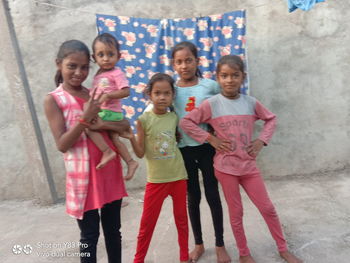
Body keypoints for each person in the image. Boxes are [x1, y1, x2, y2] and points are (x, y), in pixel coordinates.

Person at [180, 55, 303, 263]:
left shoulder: (251, 103)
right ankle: (244, 253)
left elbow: (271, 119)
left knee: (267, 208)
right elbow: (186, 122)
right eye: (224, 76)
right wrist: (210, 139)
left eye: (235, 75)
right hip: (225, 168)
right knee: (236, 213)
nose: (229, 80)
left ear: (243, 77)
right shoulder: (212, 104)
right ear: (218, 78)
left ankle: (283, 248)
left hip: (248, 167)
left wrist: (261, 141)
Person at [44, 40, 128, 263]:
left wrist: (101, 124)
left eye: (84, 67)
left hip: (109, 170)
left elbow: (121, 125)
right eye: (72, 66)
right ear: (59, 64)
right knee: (89, 236)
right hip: (84, 179)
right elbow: (62, 144)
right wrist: (84, 118)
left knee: (113, 232)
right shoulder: (54, 99)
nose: (79, 72)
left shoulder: (95, 94)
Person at [171, 41, 231, 263]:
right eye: (179, 61)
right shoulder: (172, 89)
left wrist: (218, 132)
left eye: (188, 60)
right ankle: (198, 244)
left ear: (197, 61)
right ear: (173, 64)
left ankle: (220, 244)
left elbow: (223, 108)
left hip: (207, 149)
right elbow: (165, 112)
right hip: (183, 151)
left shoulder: (210, 86)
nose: (184, 65)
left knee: (213, 196)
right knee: (192, 198)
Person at [127, 73, 189, 263]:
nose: (162, 97)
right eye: (157, 93)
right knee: (147, 224)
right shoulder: (143, 120)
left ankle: (184, 257)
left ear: (172, 96)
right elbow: (139, 153)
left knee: (181, 221)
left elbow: (175, 139)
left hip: (178, 176)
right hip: (156, 180)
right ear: (150, 95)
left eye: (167, 93)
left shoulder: (174, 118)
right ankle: (138, 259)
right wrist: (130, 136)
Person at [84, 32, 138, 180]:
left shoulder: (116, 73)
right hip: (106, 112)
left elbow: (126, 91)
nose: (106, 58)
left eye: (110, 54)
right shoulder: (98, 75)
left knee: (86, 124)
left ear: (118, 56)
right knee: (115, 139)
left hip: (111, 112)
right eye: (101, 55)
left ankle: (107, 151)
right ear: (94, 58)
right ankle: (130, 162)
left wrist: (108, 96)